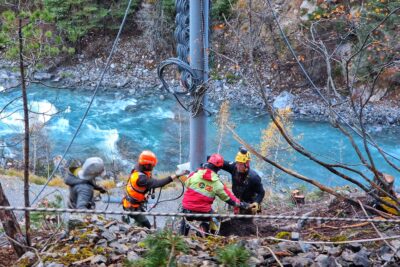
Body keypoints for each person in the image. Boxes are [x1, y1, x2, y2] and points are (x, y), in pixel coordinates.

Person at [180, 153, 249, 235]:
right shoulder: (217, 183)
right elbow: (228, 198)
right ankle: (209, 234)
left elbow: (187, 183)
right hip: (204, 213)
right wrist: (241, 204)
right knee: (216, 219)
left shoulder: (196, 174)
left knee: (185, 218)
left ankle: (182, 234)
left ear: (208, 163)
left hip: (187, 210)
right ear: (219, 168)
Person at [122, 150, 183, 229]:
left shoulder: (138, 168)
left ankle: (135, 225)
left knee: (138, 221)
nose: (153, 167)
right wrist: (175, 175)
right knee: (147, 226)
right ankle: (134, 230)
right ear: (146, 165)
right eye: (152, 165)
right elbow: (158, 183)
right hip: (132, 207)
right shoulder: (141, 179)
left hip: (133, 203)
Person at [221, 147, 265, 214]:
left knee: (245, 221)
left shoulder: (254, 177)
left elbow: (261, 192)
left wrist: (256, 203)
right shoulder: (234, 167)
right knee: (231, 217)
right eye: (237, 163)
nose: (238, 166)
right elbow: (220, 163)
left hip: (249, 202)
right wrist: (210, 163)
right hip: (237, 198)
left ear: (247, 164)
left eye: (241, 164)